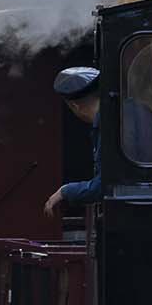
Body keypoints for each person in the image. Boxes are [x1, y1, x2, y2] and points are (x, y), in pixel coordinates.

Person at [43, 66, 102, 221]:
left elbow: (105, 186)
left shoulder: (109, 126)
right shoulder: (132, 111)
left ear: (75, 106)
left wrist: (65, 191)